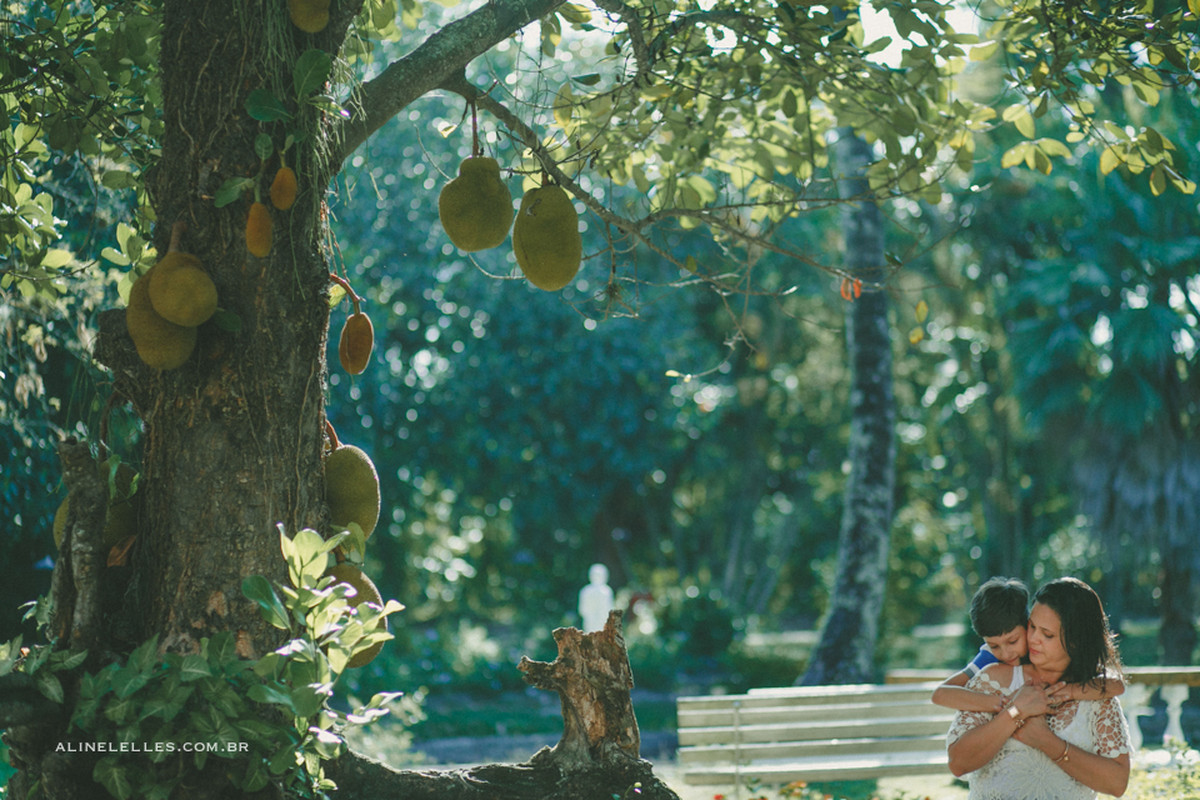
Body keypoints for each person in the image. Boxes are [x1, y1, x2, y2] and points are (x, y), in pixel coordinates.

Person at [946, 577, 1132, 800]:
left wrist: (1046, 741)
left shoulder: (1097, 693)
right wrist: (1015, 712)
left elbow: (1117, 784)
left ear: (1075, 641)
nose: (1033, 638)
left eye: (1047, 634)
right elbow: (958, 764)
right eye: (1032, 626)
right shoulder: (993, 679)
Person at [933, 577, 1124, 714]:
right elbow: (941, 694)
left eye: (1013, 641)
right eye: (994, 645)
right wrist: (1002, 703)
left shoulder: (1048, 649)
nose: (1005, 653)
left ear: (1026, 624)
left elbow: (1116, 685)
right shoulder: (989, 658)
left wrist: (1069, 692)